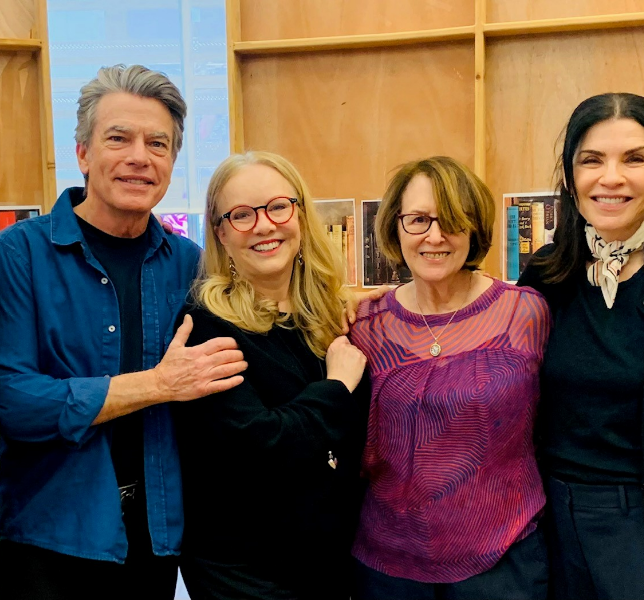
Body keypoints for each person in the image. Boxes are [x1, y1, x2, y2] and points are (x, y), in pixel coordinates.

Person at [0, 65, 247, 600]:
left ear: (172, 161)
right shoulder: (19, 253)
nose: (140, 156)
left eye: (157, 143)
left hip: (157, 539)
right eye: (119, 138)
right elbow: (12, 401)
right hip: (48, 539)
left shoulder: (190, 264)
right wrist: (158, 385)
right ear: (83, 153)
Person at [518, 92, 644, 600]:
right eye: (591, 160)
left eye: (634, 159)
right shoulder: (546, 272)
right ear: (570, 174)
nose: (611, 177)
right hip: (544, 520)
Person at [349, 156, 550, 599]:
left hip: (503, 562)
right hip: (387, 568)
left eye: (452, 221)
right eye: (418, 220)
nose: (435, 237)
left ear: (474, 227)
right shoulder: (364, 324)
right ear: (395, 227)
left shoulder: (526, 312)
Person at [174, 151, 369, 600]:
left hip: (331, 560)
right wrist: (336, 387)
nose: (264, 225)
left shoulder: (326, 314)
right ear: (220, 233)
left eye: (278, 206)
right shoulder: (207, 326)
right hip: (247, 573)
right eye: (241, 215)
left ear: (299, 214)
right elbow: (261, 445)